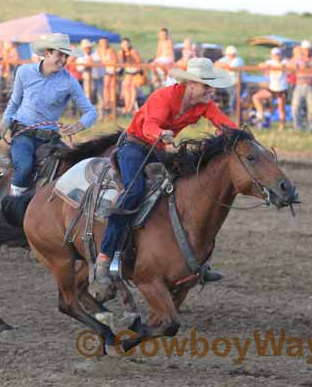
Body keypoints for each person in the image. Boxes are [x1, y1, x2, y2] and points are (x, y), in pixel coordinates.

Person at [90, 57, 238, 297]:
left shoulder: (204, 105)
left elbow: (225, 124)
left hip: (161, 149)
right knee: (134, 191)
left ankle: (191, 258)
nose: (211, 90)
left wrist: (244, 140)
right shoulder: (163, 97)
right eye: (206, 85)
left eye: (211, 85)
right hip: (135, 146)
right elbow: (149, 126)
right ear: (190, 84)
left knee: (190, 187)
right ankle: (105, 257)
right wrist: (163, 136)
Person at [0, 33, 97, 196]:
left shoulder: (69, 81)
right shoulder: (24, 72)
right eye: (60, 54)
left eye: (66, 56)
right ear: (47, 53)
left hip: (50, 138)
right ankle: (13, 204)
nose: (63, 59)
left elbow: (91, 112)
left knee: (75, 166)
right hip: (23, 133)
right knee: (24, 166)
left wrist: (78, 126)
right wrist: (3, 124)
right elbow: (14, 103)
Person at [253, 47, 288, 130]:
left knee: (281, 109)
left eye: (278, 54)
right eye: (275, 54)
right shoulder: (270, 62)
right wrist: (266, 66)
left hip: (281, 88)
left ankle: (281, 126)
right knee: (256, 97)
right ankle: (261, 116)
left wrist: (270, 66)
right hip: (272, 88)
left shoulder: (284, 61)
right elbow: (260, 65)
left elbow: (282, 66)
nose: (276, 56)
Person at [291, 40, 312, 131]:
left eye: (308, 49)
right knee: (295, 107)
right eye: (304, 49)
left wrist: (307, 65)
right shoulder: (297, 59)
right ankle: (297, 126)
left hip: (311, 85)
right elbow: (291, 66)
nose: (306, 51)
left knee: (311, 108)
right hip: (299, 85)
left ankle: (310, 126)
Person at [76, 39, 105, 113]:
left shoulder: (96, 53)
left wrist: (90, 62)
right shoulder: (81, 56)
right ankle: (88, 113)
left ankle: (101, 113)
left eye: (88, 47)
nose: (87, 49)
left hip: (98, 77)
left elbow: (100, 61)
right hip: (87, 78)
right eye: (86, 47)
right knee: (88, 96)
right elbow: (79, 68)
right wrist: (87, 64)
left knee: (101, 96)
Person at [215, 46, 244, 114]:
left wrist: (223, 66)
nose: (230, 56)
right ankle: (223, 109)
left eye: (231, 54)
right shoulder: (227, 58)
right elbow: (216, 64)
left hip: (236, 83)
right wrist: (225, 65)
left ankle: (230, 110)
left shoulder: (238, 60)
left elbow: (230, 68)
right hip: (227, 83)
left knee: (231, 96)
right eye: (229, 54)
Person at [118, 37, 142, 115]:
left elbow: (138, 61)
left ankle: (131, 106)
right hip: (128, 71)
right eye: (123, 44)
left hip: (135, 71)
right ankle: (127, 106)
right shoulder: (121, 52)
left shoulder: (133, 51)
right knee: (126, 87)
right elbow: (122, 63)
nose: (125, 45)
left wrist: (138, 72)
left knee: (132, 88)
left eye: (126, 44)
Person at [97, 37, 118, 118]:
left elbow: (115, 61)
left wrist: (105, 63)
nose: (103, 44)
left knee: (111, 88)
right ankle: (106, 103)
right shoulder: (99, 50)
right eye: (102, 42)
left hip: (112, 70)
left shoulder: (111, 50)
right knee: (106, 87)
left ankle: (112, 108)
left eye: (105, 42)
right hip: (105, 70)